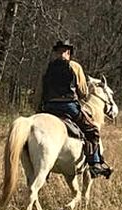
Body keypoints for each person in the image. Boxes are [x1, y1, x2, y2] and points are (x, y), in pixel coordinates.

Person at [38, 39, 111, 178]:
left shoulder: (47, 68)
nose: (63, 53)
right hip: (68, 106)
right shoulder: (74, 66)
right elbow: (83, 91)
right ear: (68, 53)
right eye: (63, 51)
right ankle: (95, 163)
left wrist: (39, 109)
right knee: (92, 130)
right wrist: (80, 96)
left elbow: (40, 90)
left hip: (49, 107)